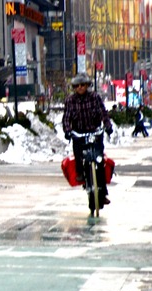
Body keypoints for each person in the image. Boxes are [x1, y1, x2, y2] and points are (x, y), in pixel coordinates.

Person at [62, 72, 113, 204]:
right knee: (78, 155)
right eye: (77, 85)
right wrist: (68, 131)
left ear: (87, 85)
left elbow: (103, 113)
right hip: (79, 134)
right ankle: (81, 174)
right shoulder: (70, 101)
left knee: (99, 160)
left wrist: (107, 126)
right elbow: (66, 118)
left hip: (94, 132)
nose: (80, 87)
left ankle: (102, 193)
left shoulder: (95, 97)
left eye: (83, 85)